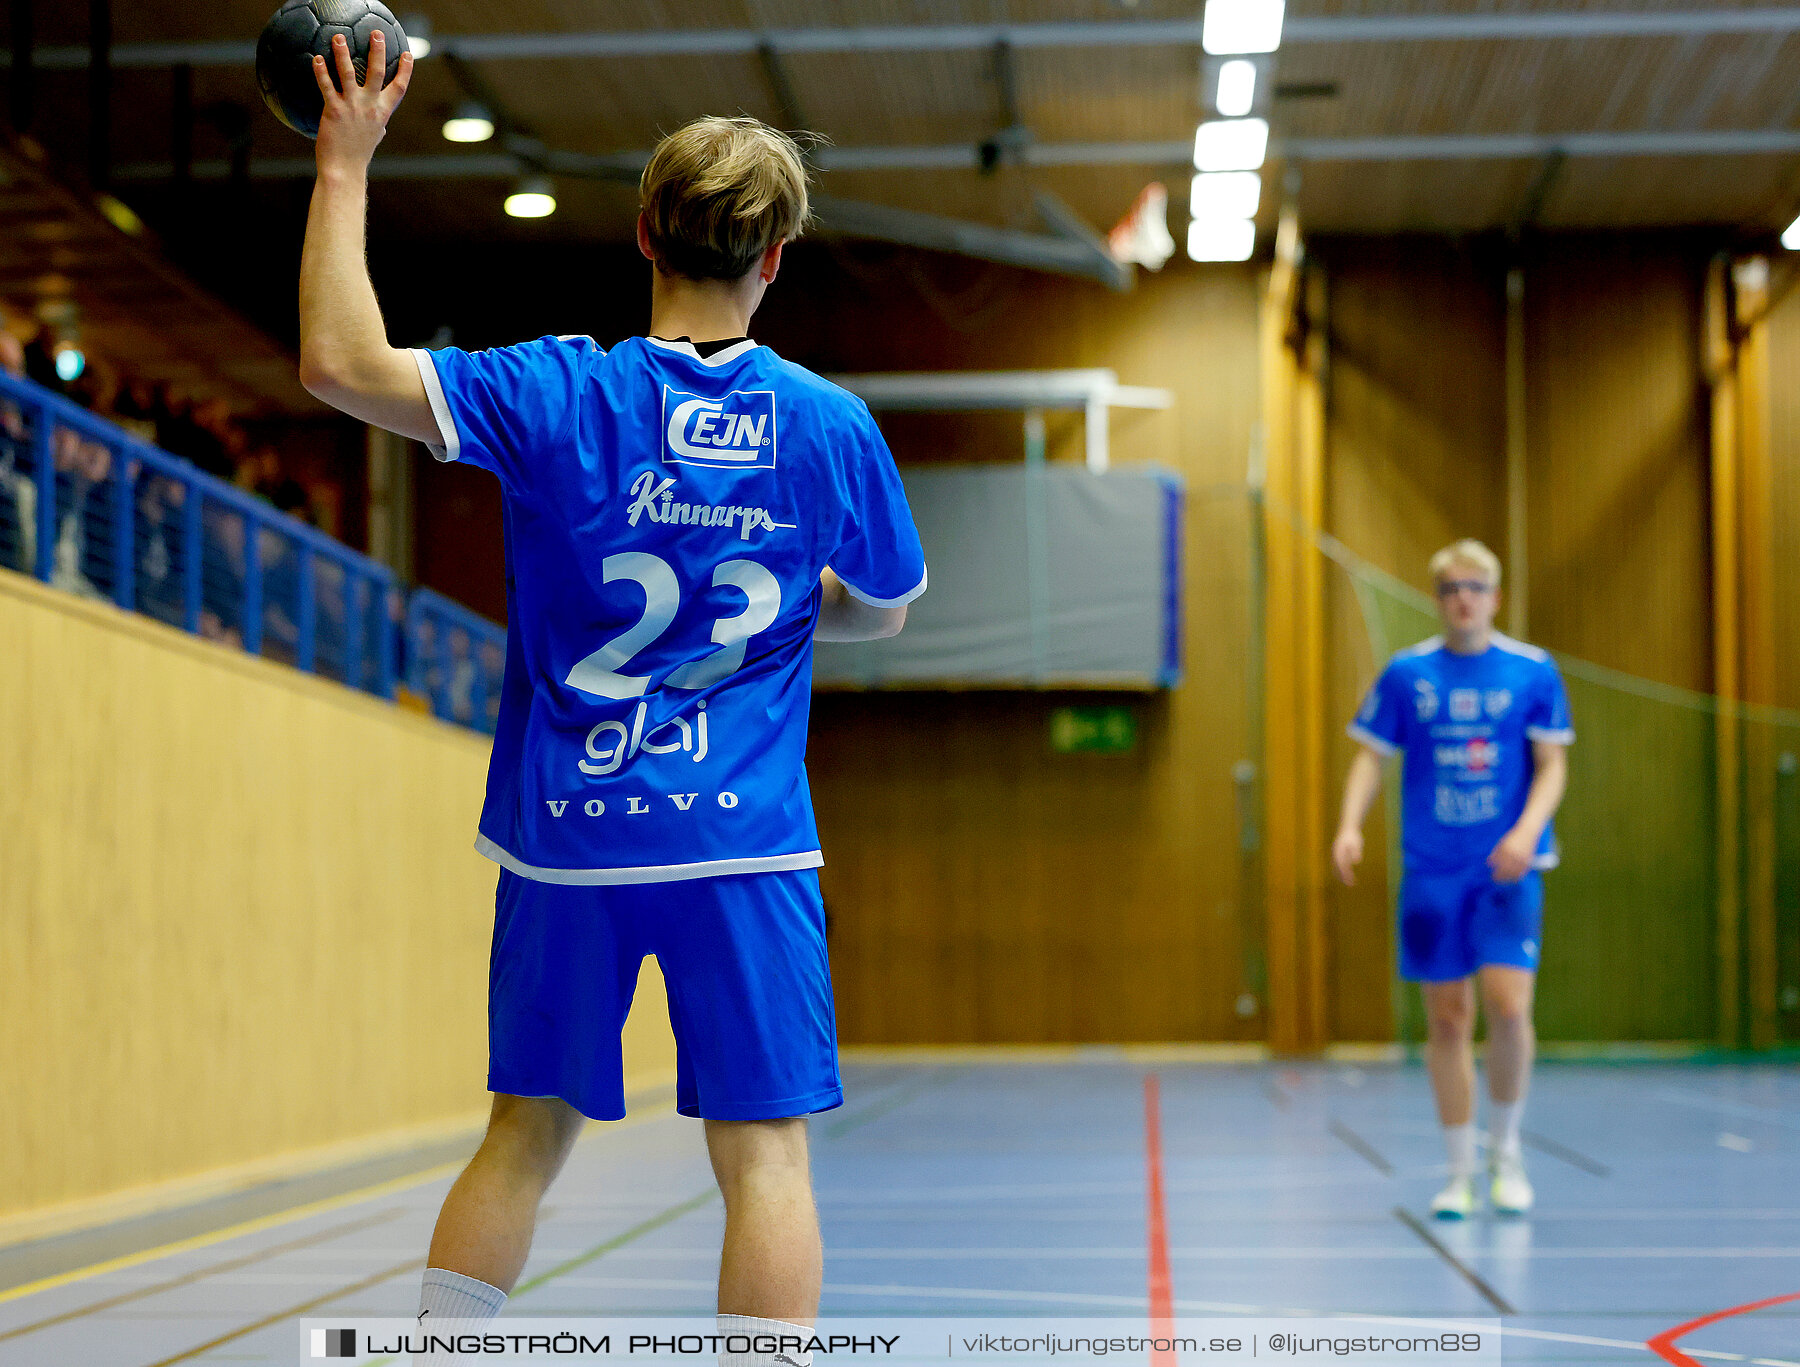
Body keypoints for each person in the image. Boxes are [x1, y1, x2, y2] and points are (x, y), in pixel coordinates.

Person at [294, 31, 924, 1350]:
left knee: (522, 1139)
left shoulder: (551, 390)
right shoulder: (827, 424)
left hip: (566, 837)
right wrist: (812, 606)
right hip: (742, 841)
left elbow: (338, 364)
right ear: (775, 257)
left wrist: (345, 161)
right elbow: (887, 600)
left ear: (644, 233)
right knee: (766, 1161)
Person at [1332, 539, 1571, 1220]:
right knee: (1447, 1016)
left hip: (1508, 865)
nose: (1463, 598)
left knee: (1507, 1005)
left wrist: (1525, 831)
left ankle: (1507, 1152)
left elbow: (1552, 762)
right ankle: (1460, 1169)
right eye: (1451, 588)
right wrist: (1350, 825)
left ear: (1495, 596)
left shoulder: (1532, 672)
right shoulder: (1408, 674)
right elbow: (1371, 757)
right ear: (1437, 598)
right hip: (1434, 868)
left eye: (1475, 586)